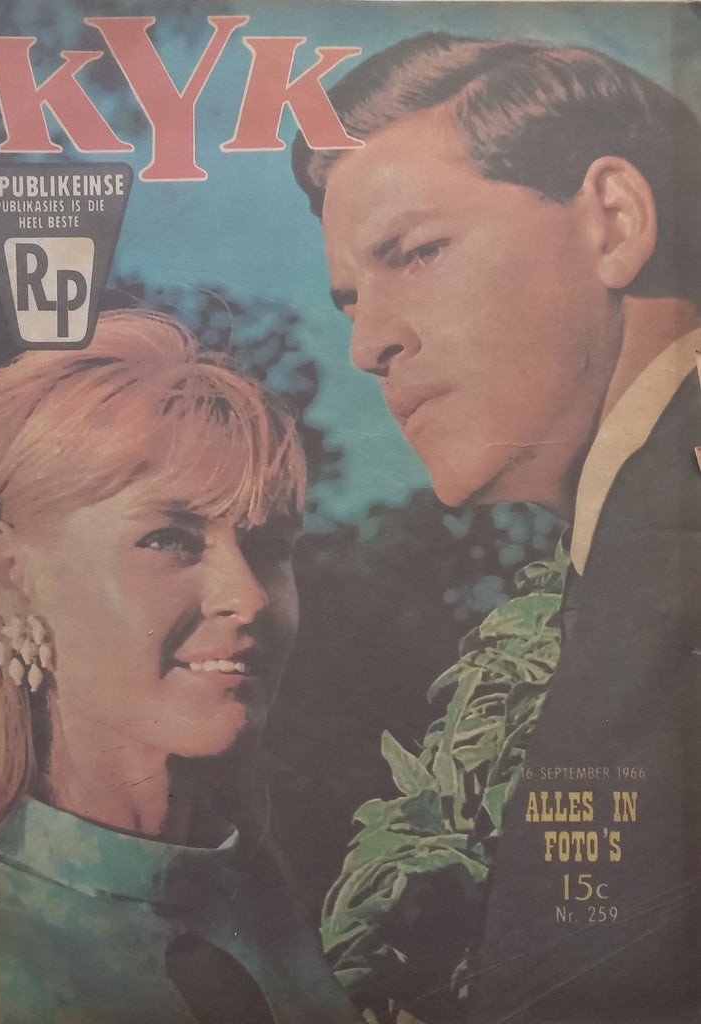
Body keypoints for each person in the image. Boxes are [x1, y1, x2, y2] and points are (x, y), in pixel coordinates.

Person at [293, 33, 701, 1023]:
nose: (367, 343)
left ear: (613, 223)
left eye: (418, 253)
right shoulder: (623, 545)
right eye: (351, 300)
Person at [0, 310, 360, 1024]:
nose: (249, 598)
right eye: (171, 539)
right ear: (12, 576)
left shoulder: (308, 916)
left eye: (271, 547)